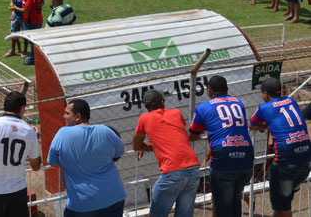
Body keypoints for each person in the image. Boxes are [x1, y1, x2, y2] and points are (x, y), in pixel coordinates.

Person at [188, 76, 254, 217]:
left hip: (224, 159)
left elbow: (193, 135)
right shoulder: (238, 102)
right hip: (246, 157)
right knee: (235, 201)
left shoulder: (202, 108)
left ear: (209, 91)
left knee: (222, 207)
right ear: (227, 89)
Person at [48, 99, 125, 216]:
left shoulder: (62, 133)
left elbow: (53, 162)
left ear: (78, 116)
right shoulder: (106, 131)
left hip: (83, 203)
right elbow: (118, 153)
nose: (64, 116)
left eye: (67, 113)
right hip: (114, 197)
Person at [249, 77, 311, 217]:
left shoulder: (264, 108)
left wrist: (263, 126)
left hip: (286, 163)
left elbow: (251, 125)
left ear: (265, 94)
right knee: (281, 204)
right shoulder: (291, 101)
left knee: (283, 206)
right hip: (306, 159)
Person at [132, 90, 200, 217]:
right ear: (162, 102)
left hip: (172, 171)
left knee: (157, 214)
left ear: (146, 107)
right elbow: (173, 137)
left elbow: (136, 145)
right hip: (193, 169)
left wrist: (146, 145)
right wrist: (154, 143)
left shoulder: (144, 118)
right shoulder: (176, 113)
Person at [0, 91, 41, 217]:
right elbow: (36, 166)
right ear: (22, 108)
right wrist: (35, 140)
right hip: (18, 191)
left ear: (4, 106)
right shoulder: (29, 131)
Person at [9, 0, 47, 65]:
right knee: (36, 39)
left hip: (31, 21)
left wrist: (15, 8)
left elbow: (26, 10)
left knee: (31, 41)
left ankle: (33, 59)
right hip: (38, 19)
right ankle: (37, 56)